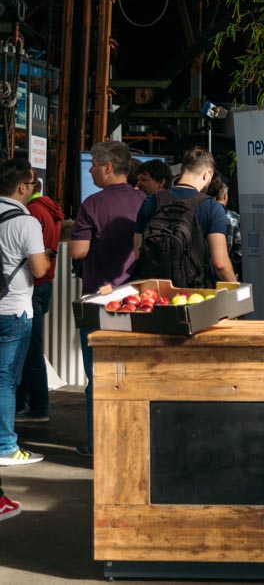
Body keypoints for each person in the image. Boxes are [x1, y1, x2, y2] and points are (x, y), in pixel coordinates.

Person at [69, 141, 147, 456]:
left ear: (108, 167)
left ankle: (98, 443)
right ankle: (133, 440)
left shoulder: (92, 204)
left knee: (98, 374)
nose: (90, 170)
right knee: (133, 373)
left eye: (94, 165)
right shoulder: (145, 201)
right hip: (139, 301)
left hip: (98, 303)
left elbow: (78, 251)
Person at [0, 158, 49, 467]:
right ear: (21, 187)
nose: (34, 189)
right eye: (33, 184)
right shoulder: (26, 222)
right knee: (5, 379)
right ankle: (5, 446)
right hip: (14, 310)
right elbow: (40, 269)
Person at [133, 146, 237, 286]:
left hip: (156, 290)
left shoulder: (151, 201)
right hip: (195, 292)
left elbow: (138, 252)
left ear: (181, 170)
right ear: (207, 174)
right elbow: (220, 264)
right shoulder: (212, 207)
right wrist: (235, 288)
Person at [14, 180, 64, 423]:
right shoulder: (50, 209)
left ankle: (39, 407)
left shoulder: (32, 212)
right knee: (29, 348)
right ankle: (22, 403)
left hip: (34, 285)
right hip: (46, 285)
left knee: (31, 350)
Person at [206, 174, 241, 281]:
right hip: (227, 276)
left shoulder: (202, 212)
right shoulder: (233, 218)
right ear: (225, 196)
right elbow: (239, 252)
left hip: (204, 276)